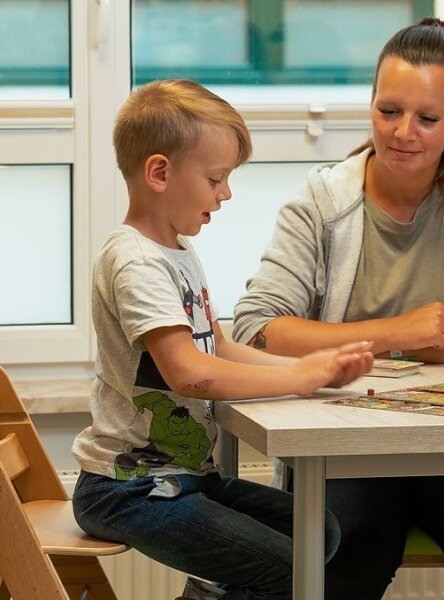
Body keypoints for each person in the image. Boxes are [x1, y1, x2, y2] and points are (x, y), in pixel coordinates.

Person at [232, 18, 444, 600]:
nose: (403, 133)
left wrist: (402, 344)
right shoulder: (322, 200)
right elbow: (256, 330)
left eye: (427, 118)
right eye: (388, 111)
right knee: (340, 562)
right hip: (348, 452)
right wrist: (398, 332)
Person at [70, 79, 374, 600]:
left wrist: (311, 367)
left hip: (186, 477)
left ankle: (208, 591)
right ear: (159, 172)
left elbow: (217, 346)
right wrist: (300, 379)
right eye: (216, 178)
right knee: (290, 564)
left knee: (317, 532)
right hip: (130, 489)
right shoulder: (136, 261)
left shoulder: (177, 250)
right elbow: (190, 373)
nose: (226, 193)